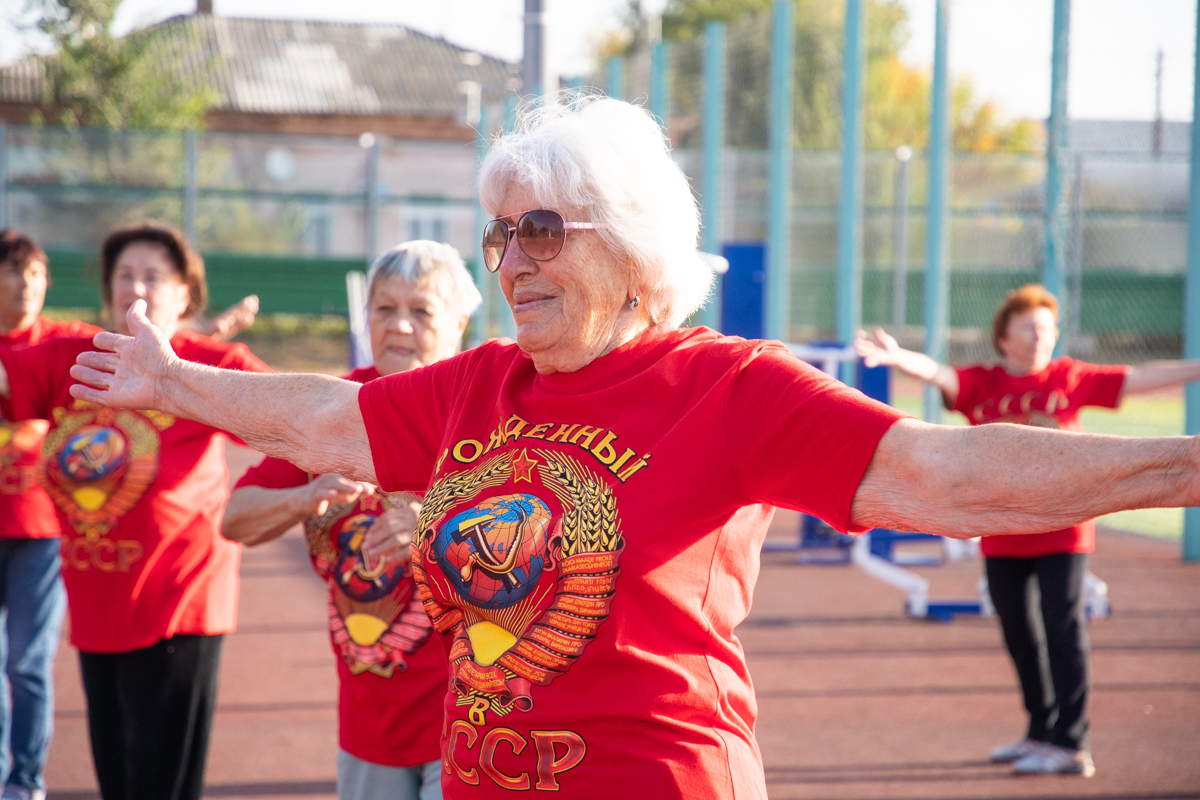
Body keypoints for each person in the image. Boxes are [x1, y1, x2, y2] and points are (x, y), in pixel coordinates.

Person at [52, 96, 1200, 799]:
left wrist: (1182, 461)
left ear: (635, 240)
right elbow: (319, 418)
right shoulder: (481, 383)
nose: (512, 259)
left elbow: (942, 471)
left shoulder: (727, 386)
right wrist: (172, 379)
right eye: (502, 232)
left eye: (544, 228)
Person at [855, 284, 1200, 778]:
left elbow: (1141, 377)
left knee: (1063, 628)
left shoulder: (1069, 378)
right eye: (1030, 328)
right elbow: (940, 373)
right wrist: (898, 357)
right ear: (1004, 337)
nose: (1041, 337)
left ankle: (1071, 743)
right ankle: (1039, 731)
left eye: (1048, 328)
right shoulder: (984, 383)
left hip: (1065, 527)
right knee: (1019, 633)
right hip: (1002, 526)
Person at [0, 222, 271, 800]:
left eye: (153, 275)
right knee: (118, 784)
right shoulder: (79, 358)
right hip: (98, 611)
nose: (135, 286)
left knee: (160, 787)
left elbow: (294, 416)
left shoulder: (210, 364)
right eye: (124, 274)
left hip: (179, 607)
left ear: (186, 295)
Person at [221, 241, 481, 800]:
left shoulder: (485, 407)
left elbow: (542, 541)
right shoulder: (333, 409)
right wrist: (303, 496)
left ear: (460, 322)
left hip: (470, 716)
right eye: (384, 308)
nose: (400, 326)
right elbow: (235, 519)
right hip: (370, 720)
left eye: (421, 310)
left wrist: (436, 523)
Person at [0, 231, 96, 800]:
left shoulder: (62, 343)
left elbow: (132, 350)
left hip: (40, 529)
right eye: (13, 273)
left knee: (29, 664)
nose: (24, 285)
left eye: (34, 274)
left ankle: (25, 780)